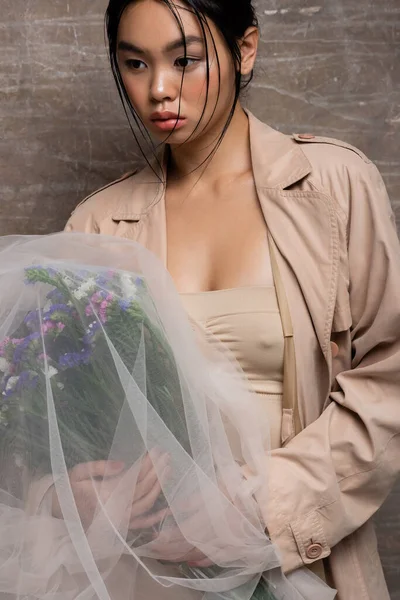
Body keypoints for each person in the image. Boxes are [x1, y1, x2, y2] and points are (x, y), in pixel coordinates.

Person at [64, 0, 400, 598]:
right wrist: (67, 490)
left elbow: (389, 379)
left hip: (300, 558)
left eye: (185, 59)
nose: (159, 90)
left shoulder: (334, 186)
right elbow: (56, 413)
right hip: (146, 567)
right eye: (135, 64)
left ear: (245, 50)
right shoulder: (96, 225)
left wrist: (259, 508)